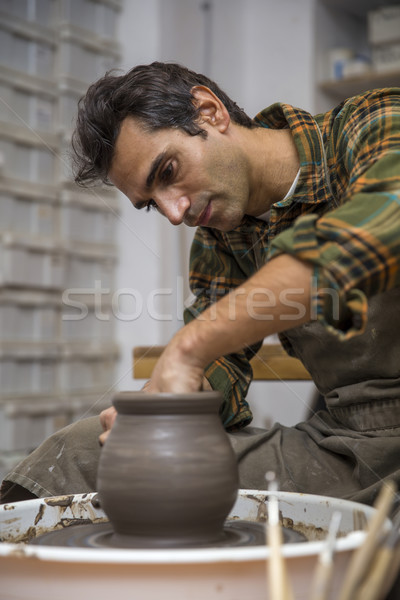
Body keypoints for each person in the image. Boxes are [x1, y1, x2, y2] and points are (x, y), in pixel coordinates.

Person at [1, 62, 400, 511]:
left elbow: (373, 233)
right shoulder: (222, 235)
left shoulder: (371, 124)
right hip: (343, 447)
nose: (174, 213)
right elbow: (218, 368)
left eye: (167, 171)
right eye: (152, 205)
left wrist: (188, 347)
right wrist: (162, 406)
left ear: (209, 111)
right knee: (82, 452)